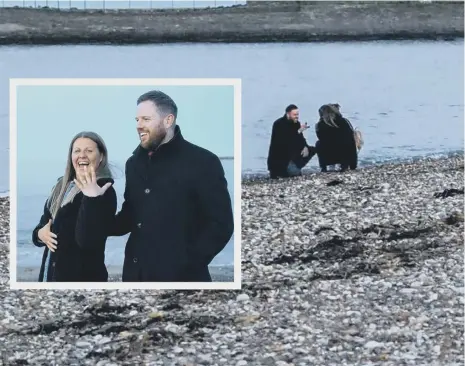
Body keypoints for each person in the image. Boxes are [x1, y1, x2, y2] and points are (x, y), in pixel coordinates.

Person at [79, 90, 234, 282]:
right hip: (135, 275)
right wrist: (93, 200)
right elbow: (128, 218)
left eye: (145, 119)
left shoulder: (203, 162)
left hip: (184, 279)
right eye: (136, 120)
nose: (139, 126)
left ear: (168, 120)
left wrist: (189, 262)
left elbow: (221, 224)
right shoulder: (134, 164)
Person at [32, 132, 117, 282]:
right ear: (71, 156)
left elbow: (87, 241)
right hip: (49, 276)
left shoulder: (104, 190)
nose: (82, 155)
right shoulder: (60, 187)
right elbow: (40, 229)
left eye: (89, 151)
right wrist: (40, 234)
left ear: (101, 156)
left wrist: (92, 198)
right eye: (77, 150)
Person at [267, 104, 315, 179]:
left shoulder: (296, 123)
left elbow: (301, 138)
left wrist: (305, 146)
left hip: (291, 155)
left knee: (311, 149)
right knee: (292, 149)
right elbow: (285, 141)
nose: (297, 116)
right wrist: (298, 131)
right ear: (288, 114)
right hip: (280, 159)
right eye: (294, 115)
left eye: (297, 114)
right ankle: (291, 169)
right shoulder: (278, 124)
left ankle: (294, 168)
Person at [315, 103, 358, 172]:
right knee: (349, 141)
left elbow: (322, 139)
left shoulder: (320, 125)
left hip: (330, 155)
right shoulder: (343, 121)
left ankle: (324, 167)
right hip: (345, 155)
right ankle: (345, 165)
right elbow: (351, 141)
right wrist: (353, 165)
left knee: (318, 144)